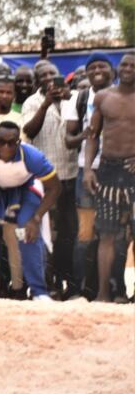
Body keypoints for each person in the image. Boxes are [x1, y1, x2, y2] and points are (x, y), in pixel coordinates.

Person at [0, 122, 60, 300]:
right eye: (1, 142)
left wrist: (36, 218)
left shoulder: (33, 157)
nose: (6, 147)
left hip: (24, 188)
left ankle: (39, 291)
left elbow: (55, 187)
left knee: (26, 232)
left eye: (11, 143)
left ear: (19, 142)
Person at [21, 61, 78, 297]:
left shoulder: (74, 98)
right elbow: (29, 131)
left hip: (72, 175)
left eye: (52, 74)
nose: (48, 78)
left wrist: (64, 99)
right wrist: (45, 105)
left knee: (69, 233)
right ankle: (48, 284)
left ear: (60, 77)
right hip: (47, 180)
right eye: (42, 75)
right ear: (38, 82)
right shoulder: (32, 102)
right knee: (47, 235)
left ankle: (70, 284)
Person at [82, 52, 135, 302]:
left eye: (133, 65)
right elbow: (92, 136)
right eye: (124, 64)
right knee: (107, 234)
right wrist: (89, 170)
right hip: (108, 170)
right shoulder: (103, 97)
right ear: (118, 68)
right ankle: (104, 293)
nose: (128, 68)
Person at [63, 54, 115, 299]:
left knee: (115, 234)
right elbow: (69, 139)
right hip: (87, 172)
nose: (97, 70)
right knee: (85, 234)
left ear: (111, 71)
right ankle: (78, 289)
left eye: (101, 66)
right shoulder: (79, 98)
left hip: (118, 173)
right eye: (91, 67)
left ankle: (113, 290)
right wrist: (86, 135)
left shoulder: (124, 96)